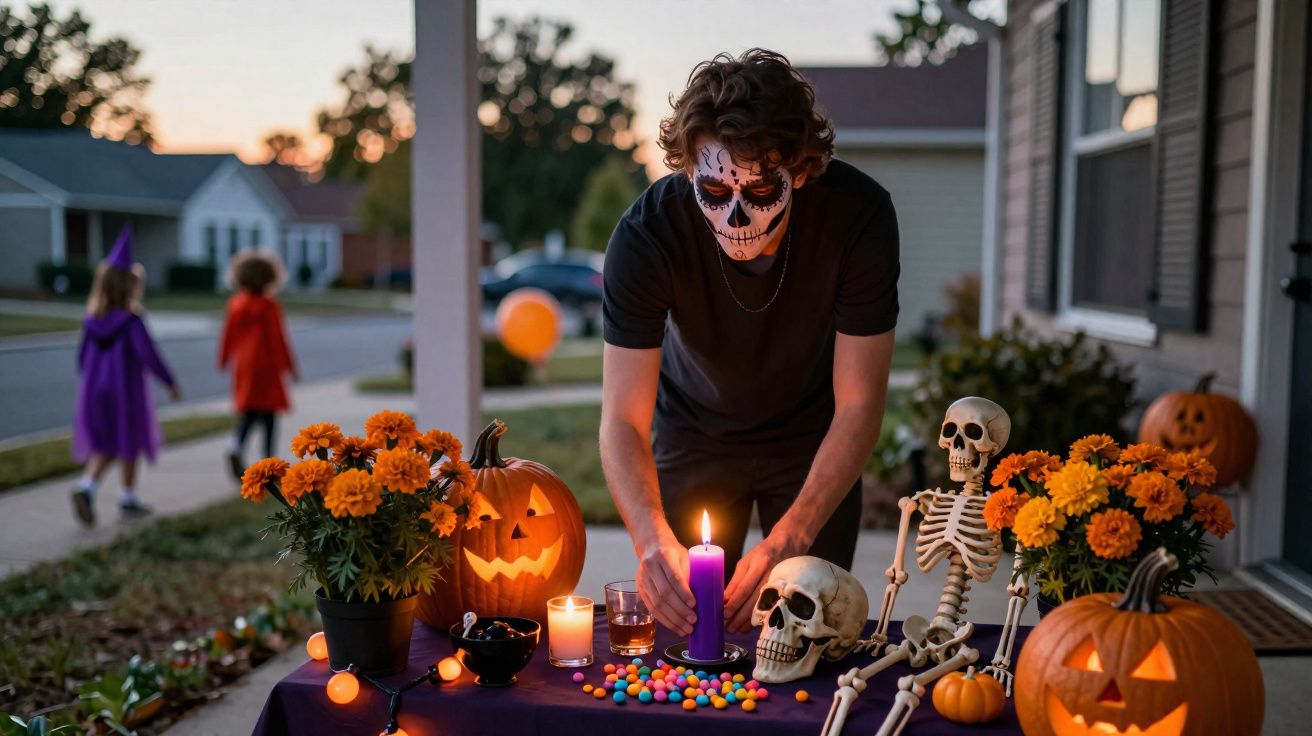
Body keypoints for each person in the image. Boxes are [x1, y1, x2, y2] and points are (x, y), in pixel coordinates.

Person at [600, 49, 899, 636]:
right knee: (690, 628)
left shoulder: (858, 217)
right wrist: (649, 539)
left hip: (814, 434)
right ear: (688, 172)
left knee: (811, 628)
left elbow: (862, 403)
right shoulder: (647, 235)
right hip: (694, 430)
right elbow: (621, 420)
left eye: (761, 191)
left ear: (803, 170)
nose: (736, 217)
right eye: (713, 189)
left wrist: (793, 534)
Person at [71, 225, 181, 524]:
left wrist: (92, 380)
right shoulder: (132, 322)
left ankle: (87, 485)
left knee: (105, 443)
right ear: (129, 287)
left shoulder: (92, 320)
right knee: (128, 442)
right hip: (125, 392)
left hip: (95, 392)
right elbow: (148, 355)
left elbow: (81, 359)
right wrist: (170, 381)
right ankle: (127, 497)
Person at [219, 249, 298, 479]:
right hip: (267, 364)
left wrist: (224, 359)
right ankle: (269, 462)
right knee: (270, 414)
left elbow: (228, 335)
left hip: (244, 364)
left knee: (249, 411)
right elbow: (277, 338)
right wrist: (289, 366)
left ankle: (236, 445)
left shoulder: (236, 304)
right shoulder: (269, 305)